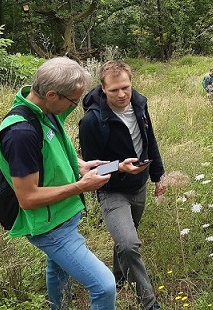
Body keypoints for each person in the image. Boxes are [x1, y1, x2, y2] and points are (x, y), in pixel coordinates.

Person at [0, 57, 117, 310]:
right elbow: (28, 199)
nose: (74, 106)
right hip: (49, 227)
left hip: (62, 217)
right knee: (104, 286)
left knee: (58, 268)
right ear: (51, 94)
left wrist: (83, 166)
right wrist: (81, 186)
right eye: (72, 100)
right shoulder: (21, 134)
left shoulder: (46, 113)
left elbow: (53, 156)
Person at [79, 61, 165, 310]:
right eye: (114, 90)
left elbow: (150, 140)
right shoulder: (92, 122)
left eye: (125, 87)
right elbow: (92, 169)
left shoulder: (139, 103)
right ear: (103, 89)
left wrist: (158, 175)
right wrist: (119, 167)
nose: (121, 94)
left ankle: (119, 276)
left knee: (127, 237)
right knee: (129, 243)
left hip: (139, 185)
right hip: (112, 190)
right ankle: (148, 302)